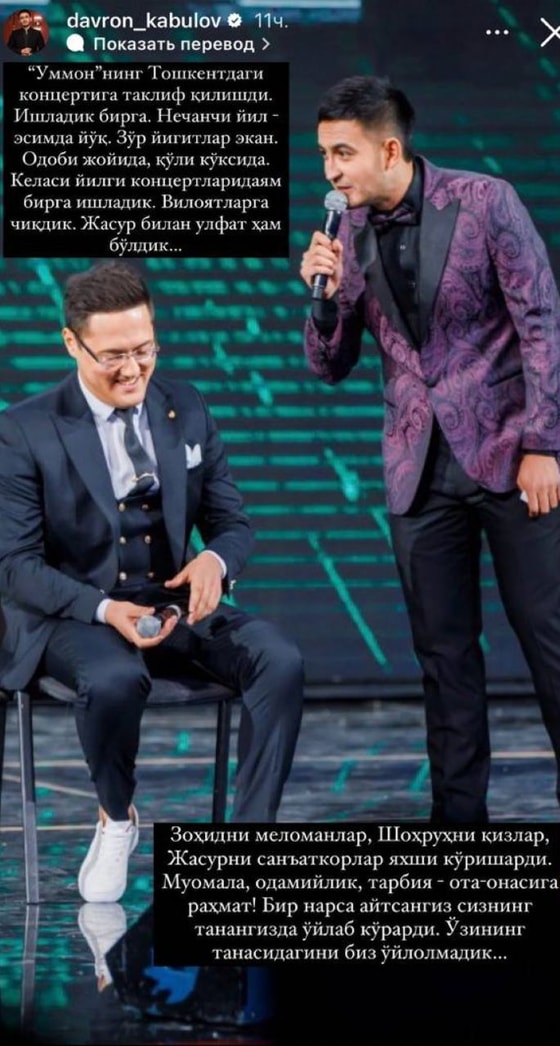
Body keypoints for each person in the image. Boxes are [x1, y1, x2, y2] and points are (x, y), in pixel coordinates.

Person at [300, 74, 560, 824]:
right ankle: (458, 825)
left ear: (390, 149)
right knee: (444, 658)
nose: (330, 171)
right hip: (418, 471)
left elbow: (541, 322)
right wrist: (323, 304)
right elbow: (330, 367)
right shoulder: (345, 234)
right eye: (323, 155)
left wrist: (544, 442)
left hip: (512, 454)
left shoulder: (485, 201)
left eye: (342, 153)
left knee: (549, 637)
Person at [0, 261, 304, 901]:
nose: (132, 369)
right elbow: (15, 566)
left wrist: (215, 561)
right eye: (113, 356)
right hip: (75, 612)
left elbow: (232, 522)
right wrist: (104, 609)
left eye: (144, 350)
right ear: (72, 343)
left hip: (168, 601)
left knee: (278, 660)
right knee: (115, 679)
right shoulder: (24, 429)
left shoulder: (184, 406)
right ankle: (116, 817)